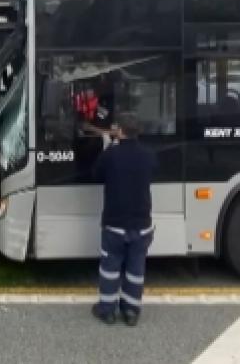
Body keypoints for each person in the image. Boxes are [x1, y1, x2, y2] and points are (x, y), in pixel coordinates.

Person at [90, 114, 156, 327]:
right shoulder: (148, 154)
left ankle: (107, 311)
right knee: (136, 269)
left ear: (119, 131)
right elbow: (153, 173)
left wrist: (108, 148)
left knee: (110, 268)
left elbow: (96, 175)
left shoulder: (111, 154)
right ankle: (131, 312)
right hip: (142, 224)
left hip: (114, 224)